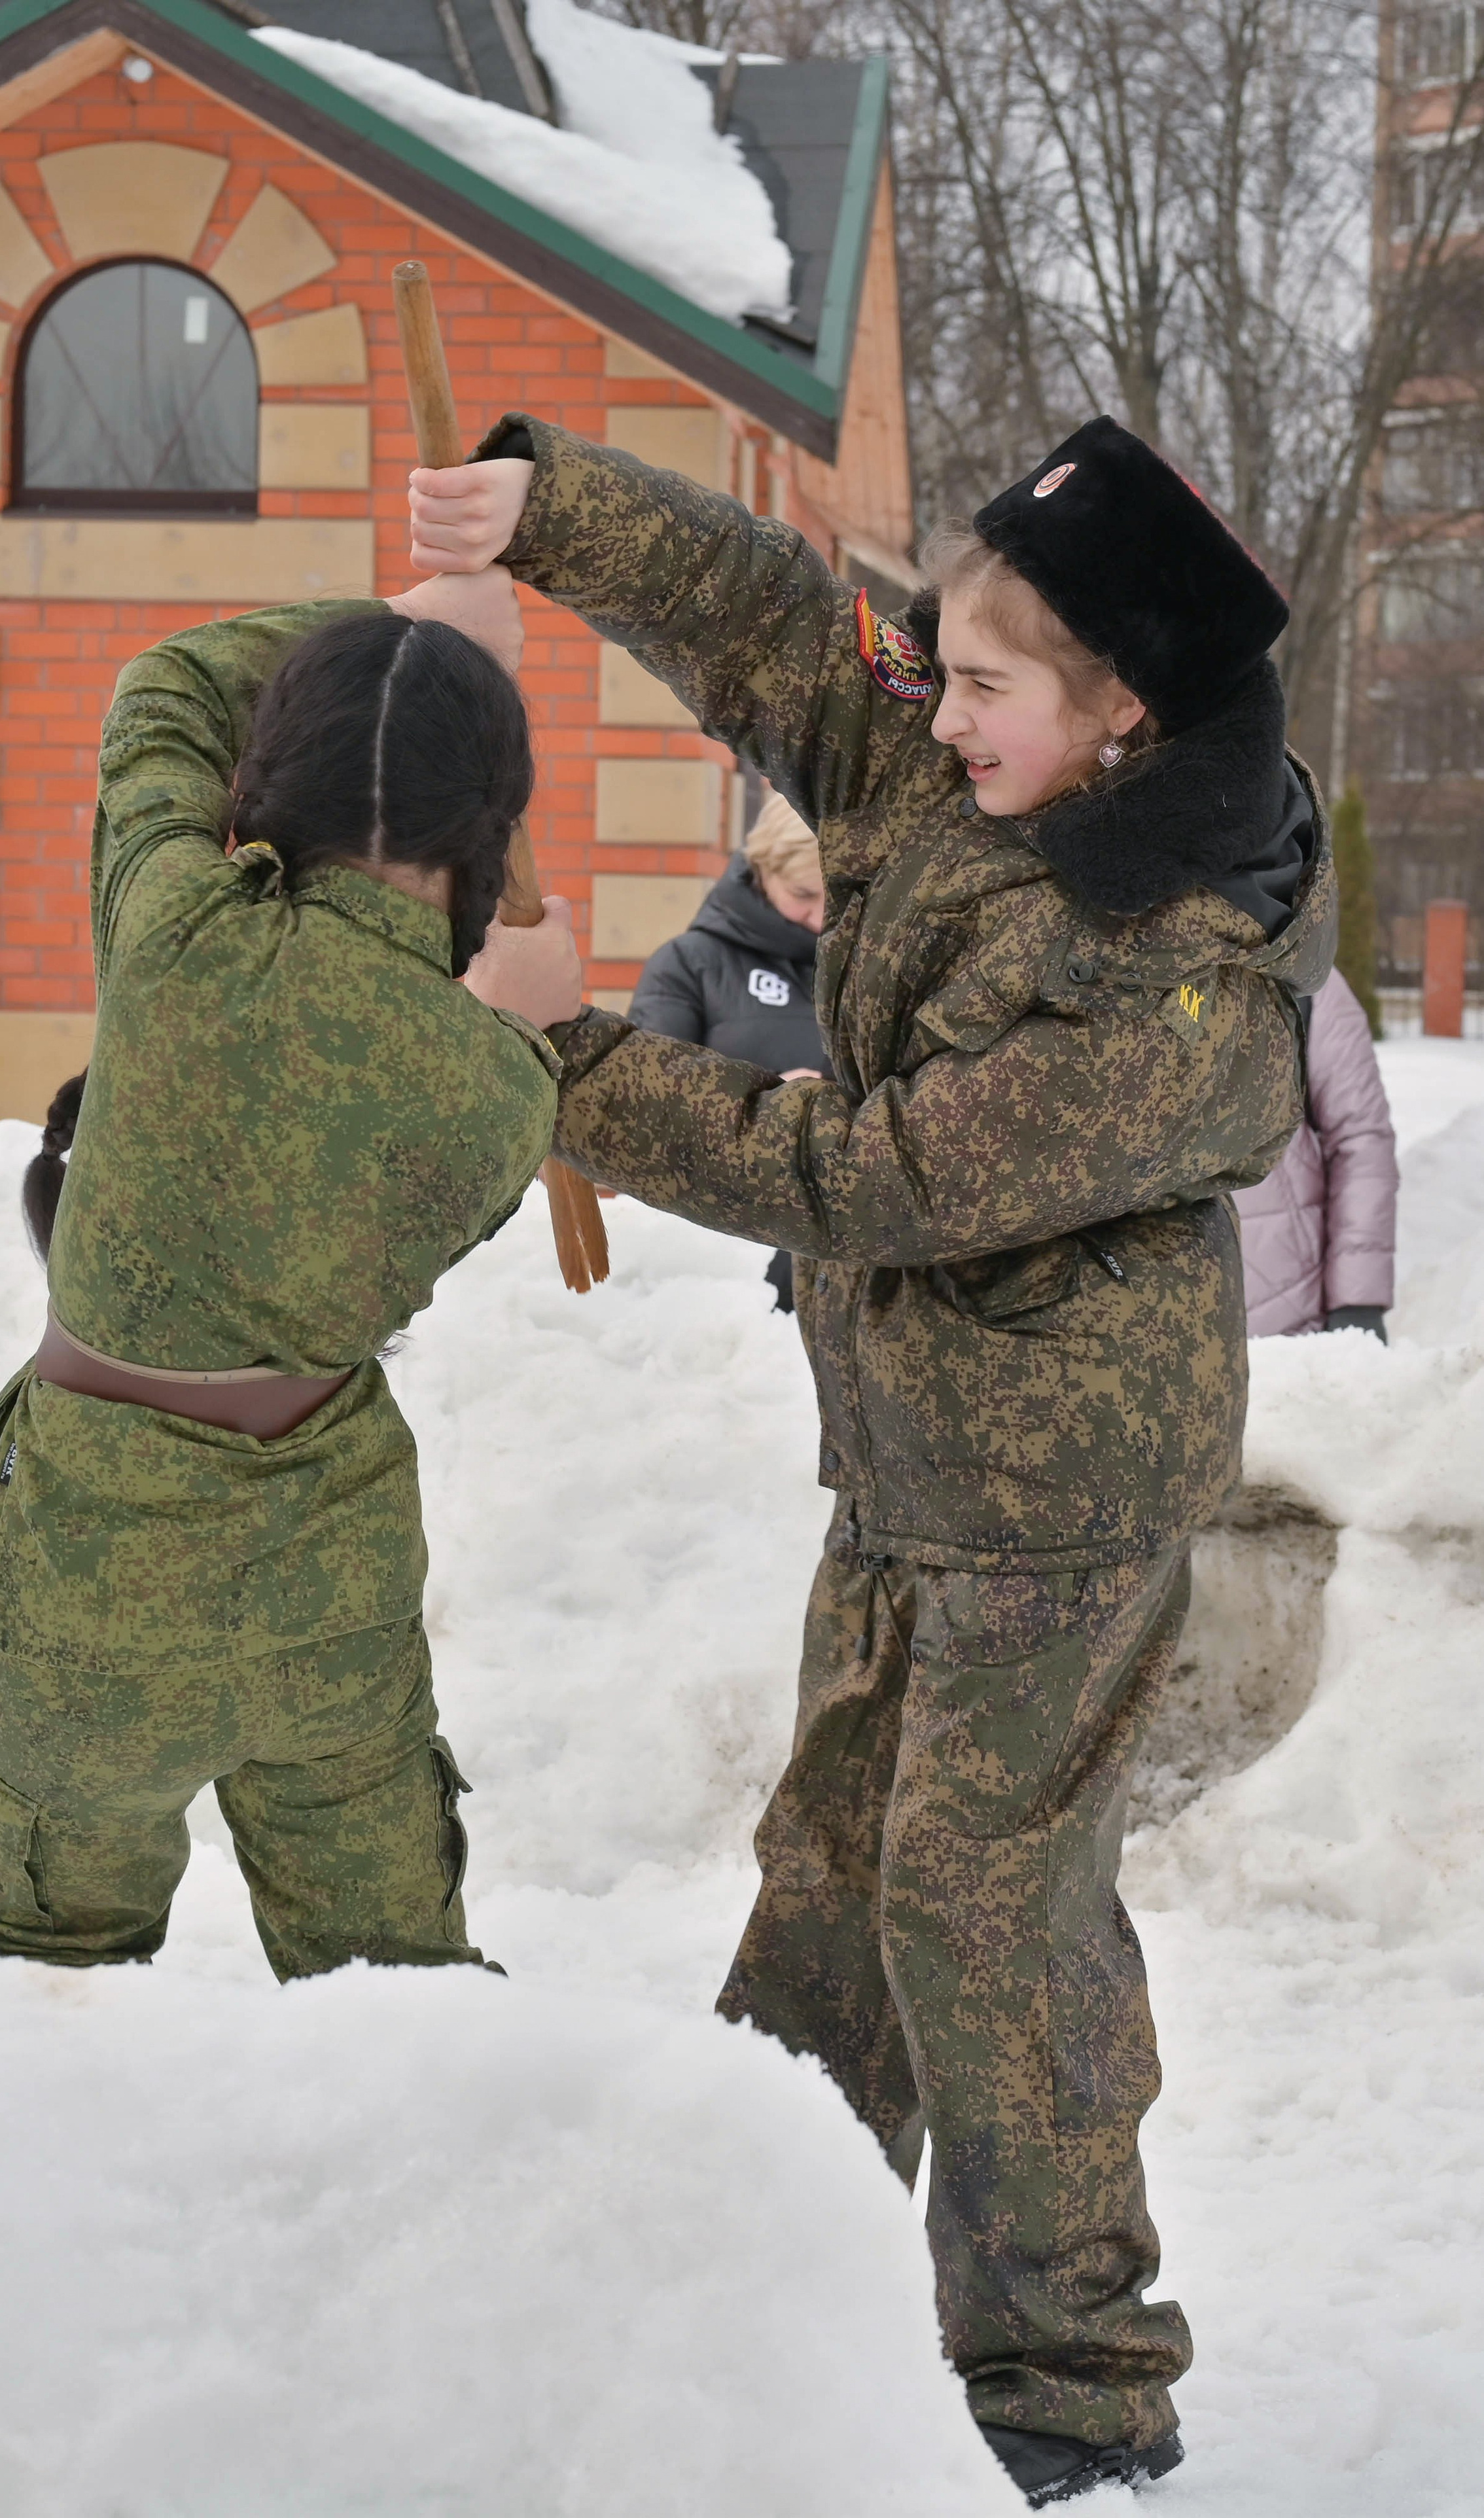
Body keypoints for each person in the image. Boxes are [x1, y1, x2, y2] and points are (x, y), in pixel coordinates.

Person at [406, 412, 1336, 2507]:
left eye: (993, 682)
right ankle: (767, 2292)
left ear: (1123, 717)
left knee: (981, 1905)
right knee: (833, 1876)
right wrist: (545, 512)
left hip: (1064, 1501)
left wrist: (575, 1073)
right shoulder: (973, 748)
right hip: (913, 1463)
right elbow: (771, 628)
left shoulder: (1184, 978)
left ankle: (1071, 2392)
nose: (941, 704)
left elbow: (882, 1170)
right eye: (949, 660)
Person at [0, 575, 580, 1981]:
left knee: (43, 1993)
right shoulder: (497, 1091)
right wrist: (541, 1026)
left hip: (85, 1589)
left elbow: (162, 689)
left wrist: (396, 627)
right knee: (393, 1996)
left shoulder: (176, 933)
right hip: (328, 1602)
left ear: (271, 777)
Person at [628, 789, 830, 1311]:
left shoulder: (871, 968)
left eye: (839, 894)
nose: (820, 915)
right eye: (805, 892)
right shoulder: (688, 966)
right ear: (763, 869)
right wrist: (770, 1104)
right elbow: (647, 1111)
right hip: (730, 1253)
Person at [1234, 966, 1397, 1338]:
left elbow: (1361, 1141)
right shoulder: (1103, 962)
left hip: (1284, 1331)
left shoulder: (1304, 977)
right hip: (1136, 1336)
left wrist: (1358, 1300)